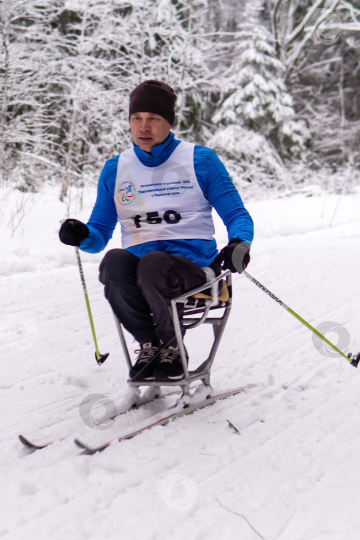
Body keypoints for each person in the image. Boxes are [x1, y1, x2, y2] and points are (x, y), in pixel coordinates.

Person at [58, 80, 254, 381]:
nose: (143, 126)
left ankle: (173, 349)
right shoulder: (115, 169)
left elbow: (237, 215)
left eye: (153, 118)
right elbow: (98, 235)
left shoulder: (200, 160)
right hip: (143, 273)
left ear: (169, 122)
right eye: (136, 118)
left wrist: (239, 243)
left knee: (153, 264)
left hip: (195, 272)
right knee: (113, 260)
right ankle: (150, 346)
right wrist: (81, 235)